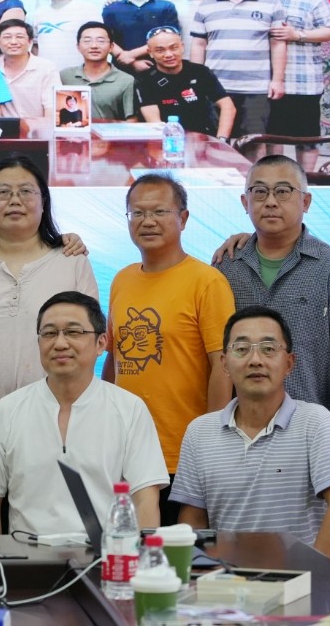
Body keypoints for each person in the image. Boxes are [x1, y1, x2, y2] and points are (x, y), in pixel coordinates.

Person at [102, 173, 236, 525]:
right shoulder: (122, 279)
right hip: (126, 452)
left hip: (183, 453)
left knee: (178, 552)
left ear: (183, 218)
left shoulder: (207, 281)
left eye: (159, 211)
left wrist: (212, 441)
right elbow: (114, 360)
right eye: (137, 213)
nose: (147, 221)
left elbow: (223, 367)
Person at [170, 306, 330, 558]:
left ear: (289, 363)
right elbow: (193, 520)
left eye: (269, 349)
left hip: (302, 576)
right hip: (226, 577)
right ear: (224, 363)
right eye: (241, 349)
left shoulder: (315, 422)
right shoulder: (199, 432)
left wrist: (315, 572)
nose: (255, 360)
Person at [0, 291, 168, 536]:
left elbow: (145, 499)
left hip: (107, 554)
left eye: (73, 332)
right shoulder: (7, 410)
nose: (60, 343)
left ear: (101, 343)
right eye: (49, 333)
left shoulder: (130, 409)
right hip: (27, 554)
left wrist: (135, 559)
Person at [0, 155, 98, 436]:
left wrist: (52, 408)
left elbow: (88, 341)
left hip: (59, 422)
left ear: (44, 201)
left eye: (26, 191)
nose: (15, 200)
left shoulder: (72, 261)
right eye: (3, 192)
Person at [216, 155, 330, 416]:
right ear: (245, 202)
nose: (271, 201)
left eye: (283, 191)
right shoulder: (226, 268)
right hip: (238, 427)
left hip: (311, 427)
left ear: (306, 202)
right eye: (260, 191)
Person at [255, 0, 330, 169]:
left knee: (306, 139)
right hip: (261, 83)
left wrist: (298, 35)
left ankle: (306, 181)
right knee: (271, 137)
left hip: (303, 81)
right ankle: (275, 178)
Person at [188, 0, 287, 136]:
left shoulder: (271, 3)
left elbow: (278, 44)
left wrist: (278, 80)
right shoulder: (206, 6)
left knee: (254, 142)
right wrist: (196, 80)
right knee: (215, 141)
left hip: (256, 88)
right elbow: (199, 45)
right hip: (215, 87)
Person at [135, 25, 235, 138]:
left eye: (174, 48)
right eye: (160, 50)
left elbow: (227, 105)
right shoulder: (145, 80)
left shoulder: (200, 72)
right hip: (169, 139)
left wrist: (221, 139)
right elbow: (155, 123)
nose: (168, 55)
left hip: (204, 136)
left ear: (182, 47)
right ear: (150, 53)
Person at [102, 0, 180, 73]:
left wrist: (131, 55)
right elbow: (107, 39)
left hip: (159, 66)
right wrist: (132, 62)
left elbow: (171, 37)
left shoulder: (165, 7)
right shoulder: (111, 9)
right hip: (121, 68)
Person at [29, 0, 102, 71]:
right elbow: (35, 47)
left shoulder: (88, 9)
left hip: (79, 74)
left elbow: (99, 43)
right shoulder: (38, 13)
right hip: (46, 75)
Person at [59, 22, 136, 121]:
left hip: (111, 131)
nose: (94, 46)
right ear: (78, 47)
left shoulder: (126, 80)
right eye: (87, 41)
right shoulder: (65, 76)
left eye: (101, 41)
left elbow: (131, 120)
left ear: (111, 47)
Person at [0, 18, 59, 120]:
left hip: (36, 128)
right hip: (0, 128)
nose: (13, 42)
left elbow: (51, 107)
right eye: (7, 37)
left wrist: (46, 129)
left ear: (30, 41)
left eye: (19, 37)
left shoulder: (46, 67)